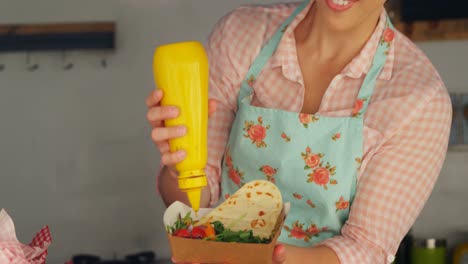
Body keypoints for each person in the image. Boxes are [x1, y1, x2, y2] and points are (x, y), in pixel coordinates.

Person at [146, 0, 452, 263]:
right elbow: (198, 199)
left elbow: (366, 248)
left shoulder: (418, 98)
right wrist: (179, 169)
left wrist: (269, 257)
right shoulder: (240, 37)